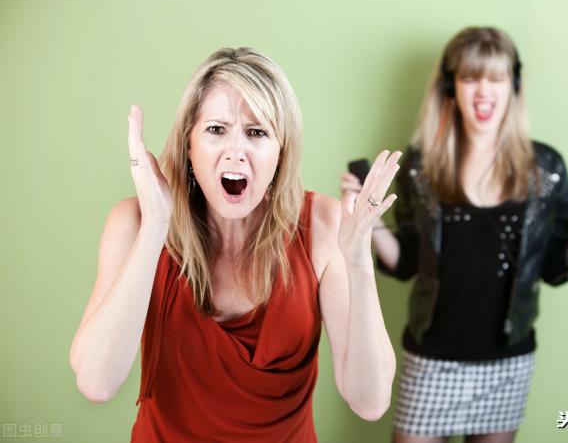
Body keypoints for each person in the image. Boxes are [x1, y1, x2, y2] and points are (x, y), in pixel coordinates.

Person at [69, 47, 400, 442]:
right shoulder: (135, 223)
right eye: (216, 130)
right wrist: (156, 225)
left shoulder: (323, 225)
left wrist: (358, 263)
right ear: (189, 144)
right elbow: (96, 382)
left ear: (281, 151)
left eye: (256, 132)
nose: (236, 152)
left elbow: (370, 401)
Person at [340, 27, 568, 443]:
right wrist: (370, 218)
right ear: (451, 87)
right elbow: (406, 262)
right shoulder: (421, 167)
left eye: (496, 78)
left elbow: (557, 268)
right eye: (470, 77)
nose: (483, 91)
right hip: (431, 359)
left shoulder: (546, 168)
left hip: (507, 364)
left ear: (513, 87)